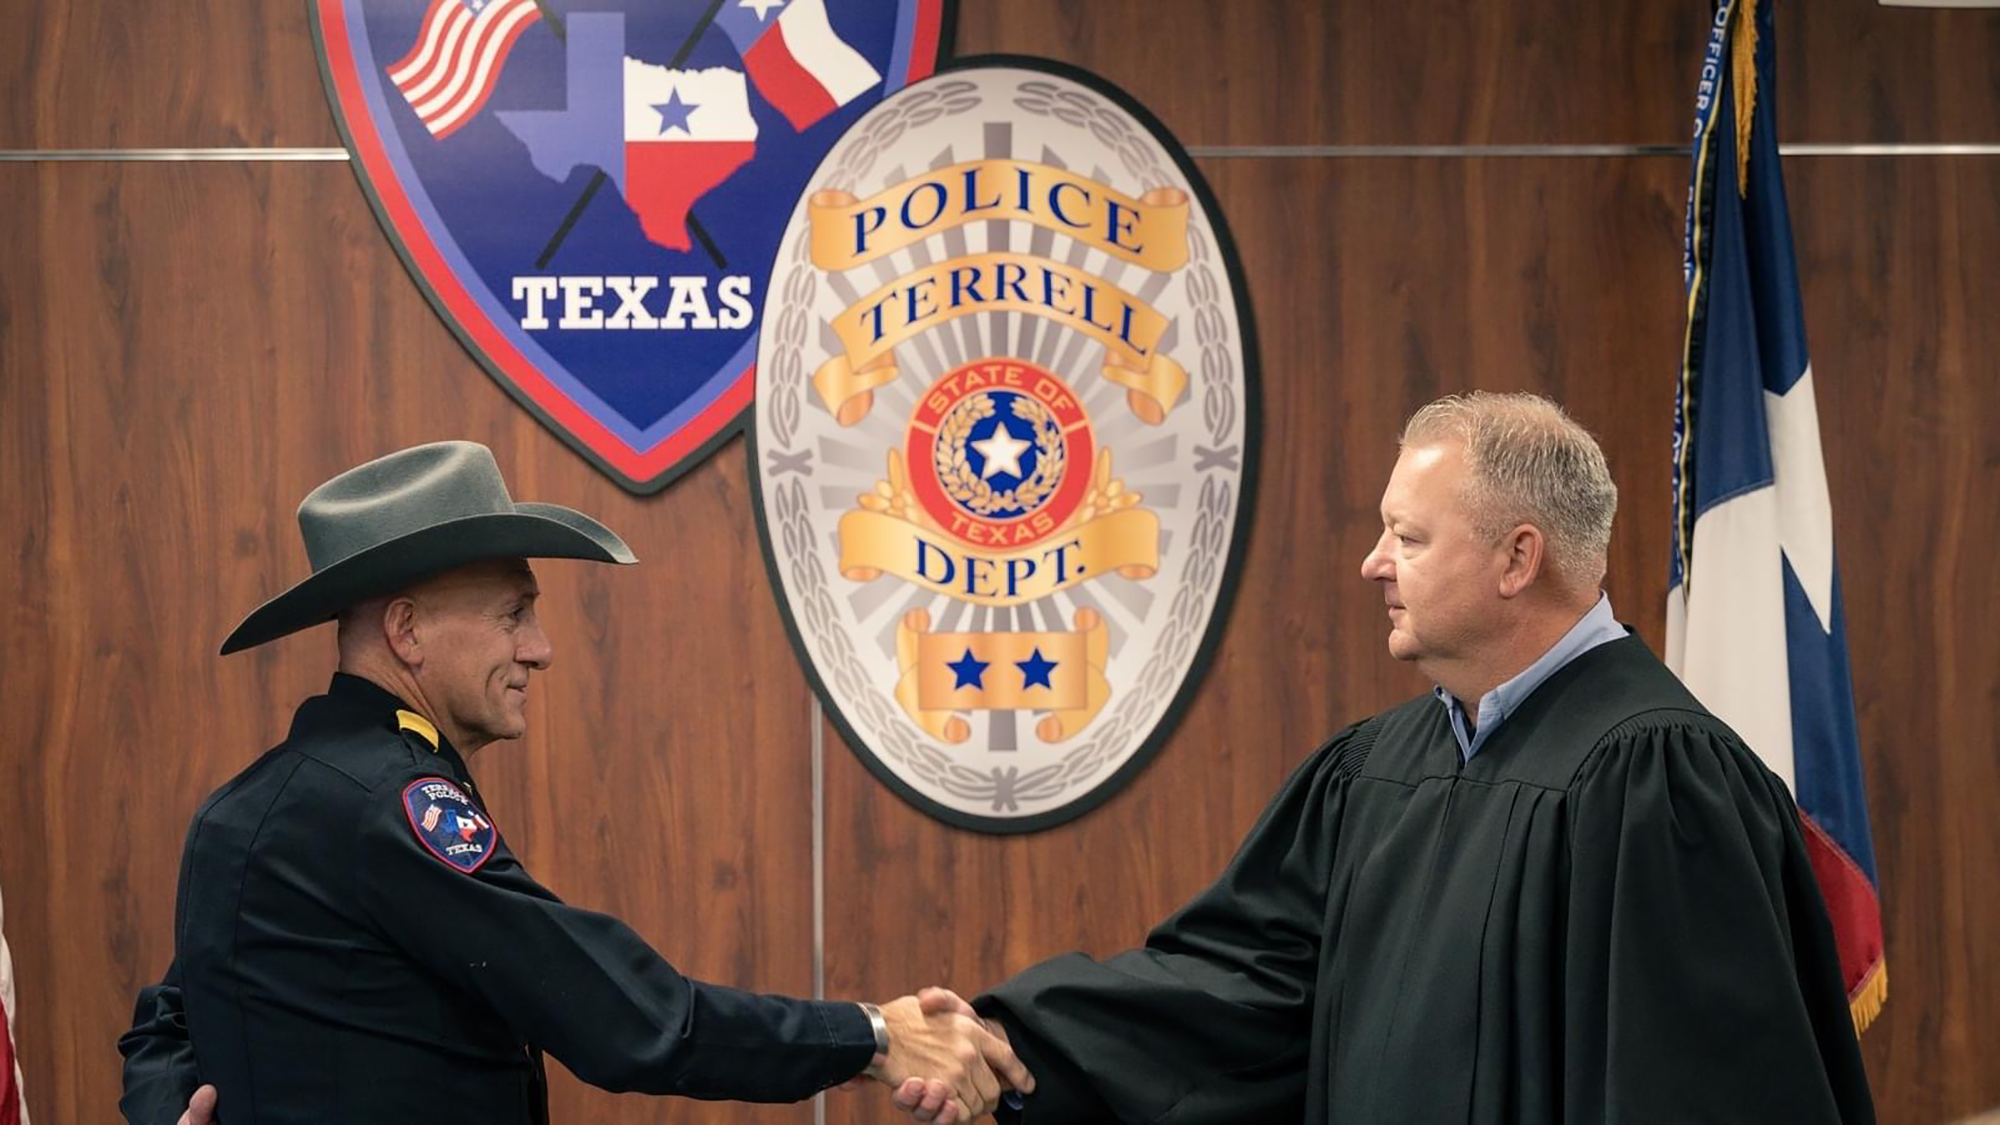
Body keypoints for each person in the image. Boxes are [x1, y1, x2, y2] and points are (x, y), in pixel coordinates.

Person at [892, 391, 1875, 1123]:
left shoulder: (1656, 784)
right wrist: (1009, 1042)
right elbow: (1235, 992)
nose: (1372, 562)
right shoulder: (1375, 770)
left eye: (1405, 535)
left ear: (1515, 559)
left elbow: (1703, 1097)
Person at [117, 441, 1029, 1125]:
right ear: (405, 631)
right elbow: (627, 1015)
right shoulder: (387, 808)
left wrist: (165, 1101)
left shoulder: (256, 805)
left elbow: (170, 1011)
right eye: (514, 613)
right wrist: (871, 1036)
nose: (540, 650)